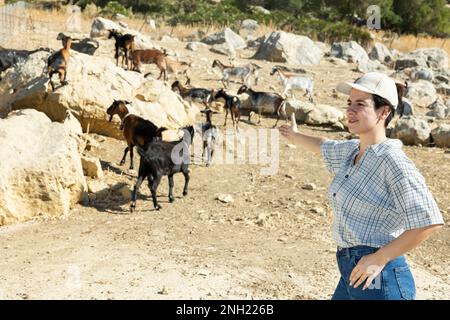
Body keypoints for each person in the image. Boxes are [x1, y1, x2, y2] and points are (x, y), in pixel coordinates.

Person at [279, 72, 444, 300]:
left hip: (380, 277)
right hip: (351, 271)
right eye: (349, 103)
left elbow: (429, 221)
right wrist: (295, 137)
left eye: (360, 104)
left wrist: (380, 258)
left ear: (383, 112)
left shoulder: (393, 161)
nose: (350, 110)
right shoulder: (352, 150)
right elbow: (324, 146)